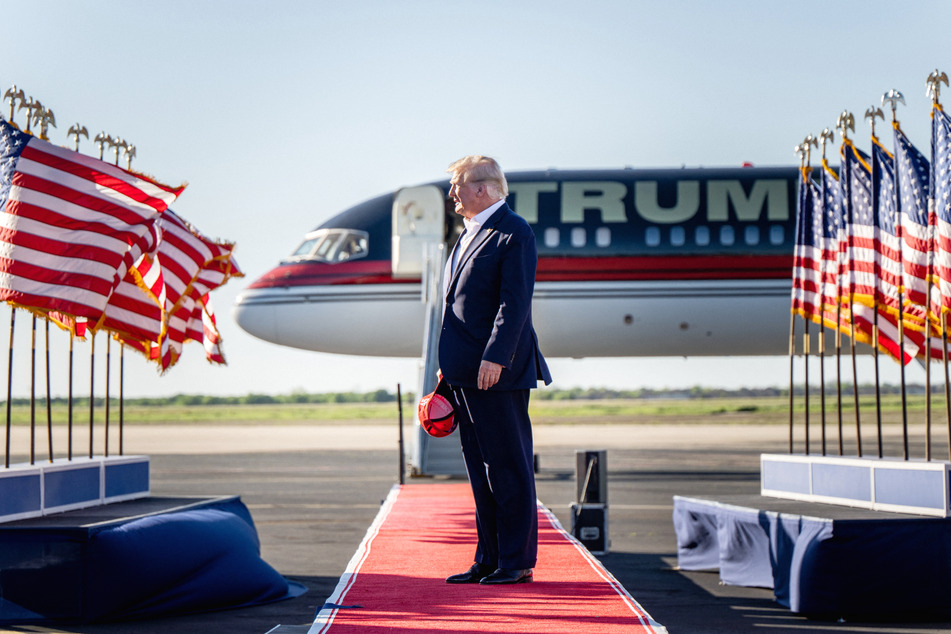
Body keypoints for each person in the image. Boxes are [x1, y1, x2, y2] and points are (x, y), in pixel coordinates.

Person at [439, 155, 552, 586]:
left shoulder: (513, 231)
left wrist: (496, 357)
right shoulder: (468, 235)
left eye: (457, 186)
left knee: (508, 466)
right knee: (479, 467)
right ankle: (488, 558)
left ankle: (516, 560)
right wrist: (447, 371)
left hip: (496, 371)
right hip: (465, 371)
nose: (453, 194)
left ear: (483, 189)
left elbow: (515, 302)